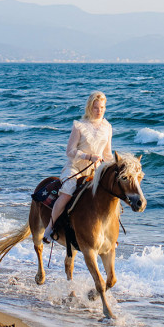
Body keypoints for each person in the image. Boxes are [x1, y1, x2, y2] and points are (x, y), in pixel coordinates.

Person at [42, 91, 112, 244]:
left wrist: (114, 167)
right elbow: (70, 151)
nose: (99, 111)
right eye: (95, 108)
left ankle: (108, 233)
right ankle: (50, 227)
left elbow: (107, 154)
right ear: (89, 108)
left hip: (96, 170)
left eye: (102, 107)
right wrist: (88, 157)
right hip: (75, 167)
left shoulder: (107, 127)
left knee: (111, 194)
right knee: (67, 192)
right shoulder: (79, 126)